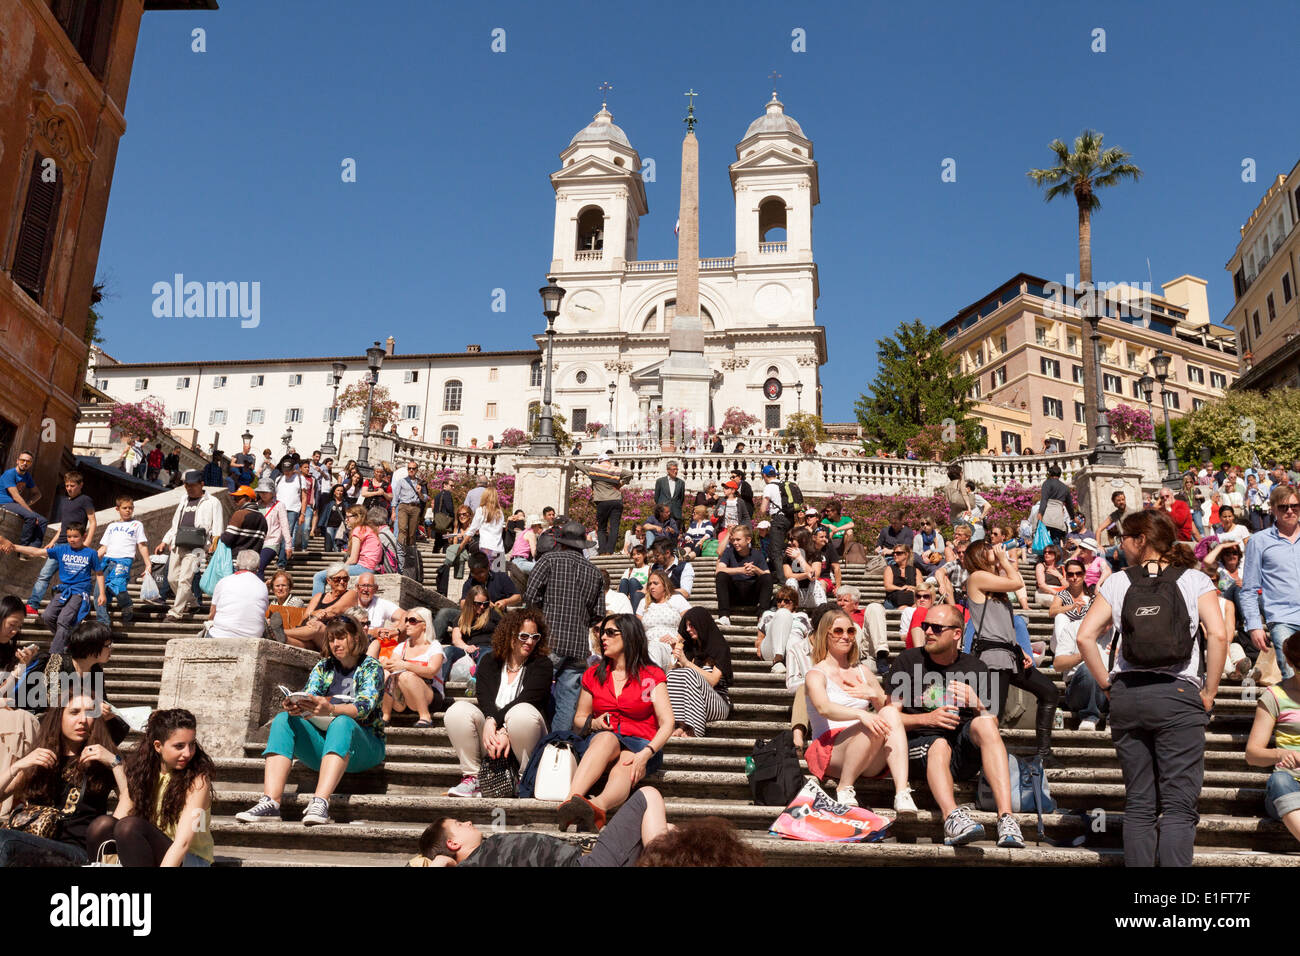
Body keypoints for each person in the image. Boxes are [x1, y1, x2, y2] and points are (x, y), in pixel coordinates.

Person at [1073, 509, 1227, 867]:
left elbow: (1084, 637)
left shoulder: (1117, 582)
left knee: (1140, 803)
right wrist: (1210, 693)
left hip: (1128, 695)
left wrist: (1106, 685)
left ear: (1141, 540)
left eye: (1124, 538)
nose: (1120, 545)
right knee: (1178, 805)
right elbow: (1218, 635)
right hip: (1178, 694)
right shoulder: (1194, 580)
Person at [886, 602, 1024, 847]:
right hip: (920, 748)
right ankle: (952, 818)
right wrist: (926, 719)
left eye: (936, 628)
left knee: (985, 724)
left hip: (961, 753)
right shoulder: (908, 662)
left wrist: (977, 702)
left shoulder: (975, 667)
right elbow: (888, 718)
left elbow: (991, 723)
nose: (928, 631)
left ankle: (1007, 818)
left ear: (957, 634)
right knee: (938, 744)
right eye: (926, 625)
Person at [236, 616, 385, 826]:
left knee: (341, 721)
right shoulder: (324, 666)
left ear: (355, 638)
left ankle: (321, 802)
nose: (336, 644)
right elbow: (309, 695)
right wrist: (297, 705)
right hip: (325, 745)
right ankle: (271, 802)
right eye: (332, 639)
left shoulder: (371, 667)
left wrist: (331, 708)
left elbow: (365, 707)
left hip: (365, 747)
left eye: (341, 638)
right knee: (282, 720)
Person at [558, 614, 674, 831]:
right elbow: (580, 718)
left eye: (610, 632)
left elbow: (667, 722)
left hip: (641, 743)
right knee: (606, 738)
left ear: (630, 636)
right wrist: (594, 723)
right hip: (603, 741)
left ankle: (597, 808)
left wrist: (646, 753)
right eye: (602, 632)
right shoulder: (594, 674)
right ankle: (571, 801)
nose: (603, 637)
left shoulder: (651, 676)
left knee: (627, 762)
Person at [805, 608, 916, 814]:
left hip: (868, 753)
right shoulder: (816, 673)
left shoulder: (863, 671)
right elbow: (824, 708)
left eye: (851, 631)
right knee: (871, 722)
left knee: (889, 715)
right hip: (831, 750)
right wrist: (861, 714)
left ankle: (902, 791)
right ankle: (844, 786)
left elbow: (891, 712)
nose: (846, 636)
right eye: (838, 631)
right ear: (825, 635)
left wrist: (874, 695)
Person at [963, 540, 1060, 765]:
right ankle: (978, 761)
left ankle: (1044, 754)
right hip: (993, 659)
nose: (993, 549)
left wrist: (1019, 649)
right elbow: (1017, 582)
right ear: (978, 555)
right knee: (991, 716)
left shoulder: (996, 588)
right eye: (987, 547)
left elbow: (1001, 625)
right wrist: (1005, 561)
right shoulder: (977, 577)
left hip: (1010, 655)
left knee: (1049, 692)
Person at [0, 692, 125, 866]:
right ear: (59, 717)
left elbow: (130, 800)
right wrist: (17, 766)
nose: (83, 720)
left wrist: (116, 763)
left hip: (75, 852)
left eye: (90, 713)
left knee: (4, 840)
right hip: (30, 841)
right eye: (74, 712)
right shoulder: (43, 756)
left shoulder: (103, 758)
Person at [444, 609, 552, 797]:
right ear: (510, 635)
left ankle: (525, 777)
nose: (530, 641)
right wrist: (490, 722)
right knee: (457, 710)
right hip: (492, 736)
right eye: (524, 636)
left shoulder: (542, 664)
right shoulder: (489, 661)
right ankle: (473, 777)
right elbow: (484, 698)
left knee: (522, 713)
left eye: (535, 636)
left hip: (525, 733)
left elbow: (530, 698)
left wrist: (496, 723)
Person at [85, 709, 214, 867]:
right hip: (151, 854)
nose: (188, 753)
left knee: (129, 827)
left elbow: (183, 844)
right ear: (158, 746)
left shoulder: (198, 781)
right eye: (179, 746)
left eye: (192, 744)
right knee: (102, 825)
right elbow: (117, 820)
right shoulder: (143, 774)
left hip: (187, 859)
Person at [421, 787, 669, 867]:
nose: (468, 822)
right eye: (459, 824)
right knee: (648, 795)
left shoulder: (484, 853)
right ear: (452, 843)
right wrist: (441, 862)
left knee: (667, 830)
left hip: (588, 860)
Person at [523, 520, 605, 738]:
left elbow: (530, 597)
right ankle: (556, 745)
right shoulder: (594, 572)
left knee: (533, 691)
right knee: (568, 704)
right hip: (578, 644)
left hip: (549, 640)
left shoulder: (549, 560)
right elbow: (598, 614)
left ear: (561, 542)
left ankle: (529, 740)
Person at [12, 523, 105, 657]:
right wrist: (14, 546)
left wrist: (101, 594)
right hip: (63, 590)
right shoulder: (61, 549)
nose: (72, 539)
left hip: (79, 592)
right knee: (47, 615)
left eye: (75, 536)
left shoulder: (91, 553)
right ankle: (69, 640)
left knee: (63, 620)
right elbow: (37, 552)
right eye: (69, 536)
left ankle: (54, 654)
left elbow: (99, 573)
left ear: (84, 536)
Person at [1245, 633, 1300, 843]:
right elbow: (1252, 754)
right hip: (1290, 785)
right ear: (1291, 662)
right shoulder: (1275, 695)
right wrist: (1282, 754)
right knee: (1279, 780)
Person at [1242, 484, 1300, 681]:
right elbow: (1249, 588)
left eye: (1295, 506)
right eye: (1284, 507)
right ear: (1273, 509)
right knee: (1291, 676)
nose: (1290, 511)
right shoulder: (1259, 541)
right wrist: (1254, 625)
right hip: (1282, 618)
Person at [26, 470, 96, 614]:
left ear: (80, 485)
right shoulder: (65, 502)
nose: (69, 488)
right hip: (59, 546)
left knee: (73, 579)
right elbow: (63, 525)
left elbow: (93, 522)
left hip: (74, 547)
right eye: (67, 485)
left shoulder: (85, 500)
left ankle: (73, 606)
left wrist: (87, 543)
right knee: (44, 574)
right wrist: (52, 542)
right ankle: (33, 605)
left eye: (72, 485)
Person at [156, 470, 222, 620]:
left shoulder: (212, 502)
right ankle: (192, 603)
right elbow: (175, 524)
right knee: (172, 578)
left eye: (192, 485)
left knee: (185, 579)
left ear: (201, 484)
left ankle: (176, 613)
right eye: (187, 486)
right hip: (178, 543)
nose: (189, 489)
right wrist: (164, 541)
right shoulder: (184, 500)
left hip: (197, 547)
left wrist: (214, 543)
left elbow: (218, 525)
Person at [1047, 559, 1106, 730]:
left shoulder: (1092, 596)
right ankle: (1066, 659)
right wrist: (1072, 606)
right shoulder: (1062, 595)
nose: (1074, 577)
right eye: (1070, 574)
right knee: (1060, 617)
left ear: (1084, 575)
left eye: (1078, 573)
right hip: (1067, 635)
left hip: (1089, 632)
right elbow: (1052, 612)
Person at [666, 608, 732, 738]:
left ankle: (694, 729)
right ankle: (681, 725)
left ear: (701, 624)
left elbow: (713, 681)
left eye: (692, 625)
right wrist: (676, 658)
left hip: (718, 704)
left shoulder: (721, 648)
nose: (688, 629)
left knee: (690, 673)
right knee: (672, 674)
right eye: (686, 626)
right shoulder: (690, 648)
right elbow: (673, 677)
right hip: (694, 706)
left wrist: (686, 663)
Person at [89, 495, 150, 628]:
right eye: (125, 508)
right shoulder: (112, 526)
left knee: (116, 585)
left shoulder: (137, 525)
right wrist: (90, 560)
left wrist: (148, 564)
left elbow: (142, 545)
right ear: (117, 509)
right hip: (107, 560)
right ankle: (103, 623)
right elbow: (104, 547)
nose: (128, 510)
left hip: (124, 560)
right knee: (98, 592)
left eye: (130, 508)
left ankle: (127, 604)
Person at [378, 606, 444, 729]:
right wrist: (384, 663)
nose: (407, 624)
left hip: (430, 695)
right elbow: (393, 665)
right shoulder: (402, 646)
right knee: (386, 673)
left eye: (412, 621)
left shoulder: (434, 646)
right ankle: (385, 716)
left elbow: (431, 672)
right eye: (406, 620)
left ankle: (425, 716)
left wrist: (406, 665)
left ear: (424, 625)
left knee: (405, 675)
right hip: (403, 698)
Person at [287, 564, 359, 652]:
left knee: (317, 626)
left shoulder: (352, 594)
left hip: (329, 637)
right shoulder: (318, 596)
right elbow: (305, 616)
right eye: (337, 579)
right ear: (329, 580)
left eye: (345, 579)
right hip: (311, 640)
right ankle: (276, 634)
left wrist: (316, 616)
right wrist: (314, 613)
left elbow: (335, 610)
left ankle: (282, 631)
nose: (342, 582)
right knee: (286, 640)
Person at [312, 505, 382, 594]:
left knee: (319, 577)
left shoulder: (358, 530)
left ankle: (315, 606)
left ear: (357, 517)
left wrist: (339, 568)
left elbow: (353, 559)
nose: (346, 520)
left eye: (348, 517)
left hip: (364, 568)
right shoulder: (368, 529)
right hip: (371, 567)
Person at [714, 524, 773, 627]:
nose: (735, 543)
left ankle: (762, 617)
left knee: (766, 577)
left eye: (738, 540)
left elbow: (767, 576)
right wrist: (741, 570)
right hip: (735, 593)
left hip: (752, 594)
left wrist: (756, 569)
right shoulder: (728, 552)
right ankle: (724, 616)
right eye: (733, 540)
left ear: (748, 540)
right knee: (721, 575)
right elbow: (719, 570)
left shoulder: (757, 554)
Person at [204, 550, 271, 639]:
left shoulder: (224, 581)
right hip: (252, 637)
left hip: (220, 635)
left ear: (237, 564)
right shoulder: (262, 586)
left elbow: (212, 614)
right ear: (258, 566)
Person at [443, 585, 503, 681]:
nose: (482, 607)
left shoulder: (493, 615)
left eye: (485, 604)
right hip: (467, 649)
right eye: (478, 603)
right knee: (448, 650)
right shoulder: (460, 618)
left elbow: (505, 632)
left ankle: (475, 682)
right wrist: (467, 647)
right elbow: (456, 639)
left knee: (486, 655)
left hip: (487, 648)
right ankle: (439, 685)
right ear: (470, 602)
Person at [577, 453, 633, 555]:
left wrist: (573, 461)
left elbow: (579, 465)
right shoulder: (615, 469)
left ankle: (602, 551)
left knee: (602, 528)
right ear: (609, 461)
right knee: (614, 527)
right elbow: (629, 474)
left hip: (602, 501)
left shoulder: (594, 469)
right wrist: (621, 484)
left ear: (599, 461)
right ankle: (610, 551)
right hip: (616, 500)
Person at [636, 569, 691, 671]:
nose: (651, 586)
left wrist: (677, 639)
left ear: (665, 585)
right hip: (647, 645)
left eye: (655, 583)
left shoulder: (677, 600)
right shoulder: (643, 602)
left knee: (655, 649)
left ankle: (653, 682)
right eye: (650, 584)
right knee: (652, 648)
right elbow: (637, 630)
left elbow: (691, 621)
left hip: (670, 647)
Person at [756, 586, 811, 675]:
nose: (782, 604)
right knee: (783, 613)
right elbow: (759, 639)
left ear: (795, 604)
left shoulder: (802, 616)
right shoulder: (768, 614)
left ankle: (795, 662)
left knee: (792, 636)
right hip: (771, 649)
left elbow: (809, 639)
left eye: (786, 601)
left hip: (793, 646)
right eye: (779, 600)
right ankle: (778, 660)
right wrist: (758, 646)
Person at [835, 584, 890, 669]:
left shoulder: (865, 613)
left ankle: (881, 654)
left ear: (856, 604)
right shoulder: (834, 616)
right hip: (850, 650)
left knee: (874, 606)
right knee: (853, 627)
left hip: (867, 650)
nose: (841, 603)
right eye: (839, 600)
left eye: (845, 600)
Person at [0, 451, 45, 546]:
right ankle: (23, 547)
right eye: (22, 460)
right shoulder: (10, 474)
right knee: (32, 516)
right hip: (4, 502)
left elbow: (37, 494)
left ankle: (33, 548)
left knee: (42, 520)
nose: (25, 463)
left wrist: (27, 505)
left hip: (14, 504)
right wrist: (29, 511)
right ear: (17, 461)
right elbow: (16, 496)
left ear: (31, 464)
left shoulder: (27, 476)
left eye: (28, 461)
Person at [391, 460, 427, 574]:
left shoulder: (420, 483)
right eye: (409, 468)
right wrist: (393, 511)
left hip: (415, 507)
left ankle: (409, 553)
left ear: (416, 470)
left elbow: (425, 498)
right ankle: (400, 553)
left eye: (413, 468)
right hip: (403, 506)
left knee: (412, 533)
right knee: (402, 529)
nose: (411, 470)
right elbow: (395, 497)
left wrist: (420, 492)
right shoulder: (402, 481)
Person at [219, 484, 267, 564]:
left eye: (238, 498)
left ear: (248, 499)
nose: (235, 500)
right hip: (253, 564)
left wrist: (219, 537)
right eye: (235, 498)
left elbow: (227, 539)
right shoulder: (262, 519)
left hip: (237, 562)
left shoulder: (239, 514)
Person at [255, 477, 291, 576]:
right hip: (257, 541)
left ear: (272, 492)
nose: (263, 494)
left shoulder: (279, 505)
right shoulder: (256, 505)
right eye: (261, 492)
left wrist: (288, 545)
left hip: (272, 542)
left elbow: (285, 526)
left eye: (266, 492)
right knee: (253, 569)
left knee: (260, 566)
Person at [758, 464, 794, 564]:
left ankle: (781, 579)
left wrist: (762, 511)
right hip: (790, 518)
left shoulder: (769, 487)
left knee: (775, 551)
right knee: (785, 545)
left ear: (764, 475)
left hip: (778, 520)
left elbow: (763, 509)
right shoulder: (783, 484)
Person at [783, 529, 826, 610]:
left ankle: (822, 612)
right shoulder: (787, 555)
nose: (789, 542)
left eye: (792, 540)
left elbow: (814, 576)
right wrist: (806, 574)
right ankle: (789, 611)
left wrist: (799, 558)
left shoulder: (815, 553)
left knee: (816, 583)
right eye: (789, 540)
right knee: (791, 581)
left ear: (802, 540)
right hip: (796, 595)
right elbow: (788, 575)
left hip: (811, 594)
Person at [883, 540, 924, 610]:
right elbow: (888, 586)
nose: (895, 555)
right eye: (894, 553)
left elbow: (921, 588)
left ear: (906, 554)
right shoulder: (889, 569)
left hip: (911, 601)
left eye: (898, 553)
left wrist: (912, 588)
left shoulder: (916, 571)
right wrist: (901, 588)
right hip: (894, 602)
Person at [654, 460, 686, 526]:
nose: (676, 471)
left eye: (677, 469)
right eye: (674, 469)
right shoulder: (660, 481)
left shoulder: (681, 483)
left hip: (676, 514)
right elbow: (656, 498)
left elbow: (681, 498)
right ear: (668, 470)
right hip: (663, 514)